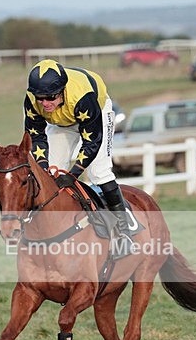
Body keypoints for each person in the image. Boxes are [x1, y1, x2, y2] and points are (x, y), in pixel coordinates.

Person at [24, 59, 135, 258]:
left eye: (50, 97)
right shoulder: (32, 101)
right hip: (62, 122)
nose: (45, 103)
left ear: (61, 91)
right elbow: (36, 137)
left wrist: (73, 174)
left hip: (96, 113)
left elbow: (92, 142)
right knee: (49, 174)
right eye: (40, 98)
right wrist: (44, 166)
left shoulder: (84, 97)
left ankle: (124, 232)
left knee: (98, 172)